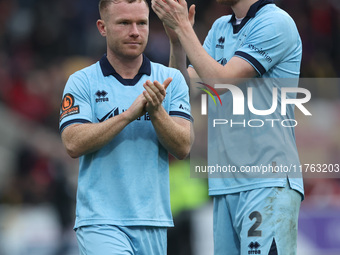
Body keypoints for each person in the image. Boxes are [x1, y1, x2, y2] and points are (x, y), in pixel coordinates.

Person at [152, 0, 304, 254]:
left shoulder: (276, 22)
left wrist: (184, 28)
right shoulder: (220, 28)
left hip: (268, 183)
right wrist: (177, 41)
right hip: (225, 184)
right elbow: (183, 91)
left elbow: (222, 82)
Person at [59, 0, 193, 254]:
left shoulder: (170, 79)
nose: (135, 31)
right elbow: (72, 142)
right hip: (100, 221)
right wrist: (128, 116)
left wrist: (156, 112)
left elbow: (184, 146)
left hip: (154, 221)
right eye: (124, 23)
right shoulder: (81, 81)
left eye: (141, 23)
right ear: (102, 27)